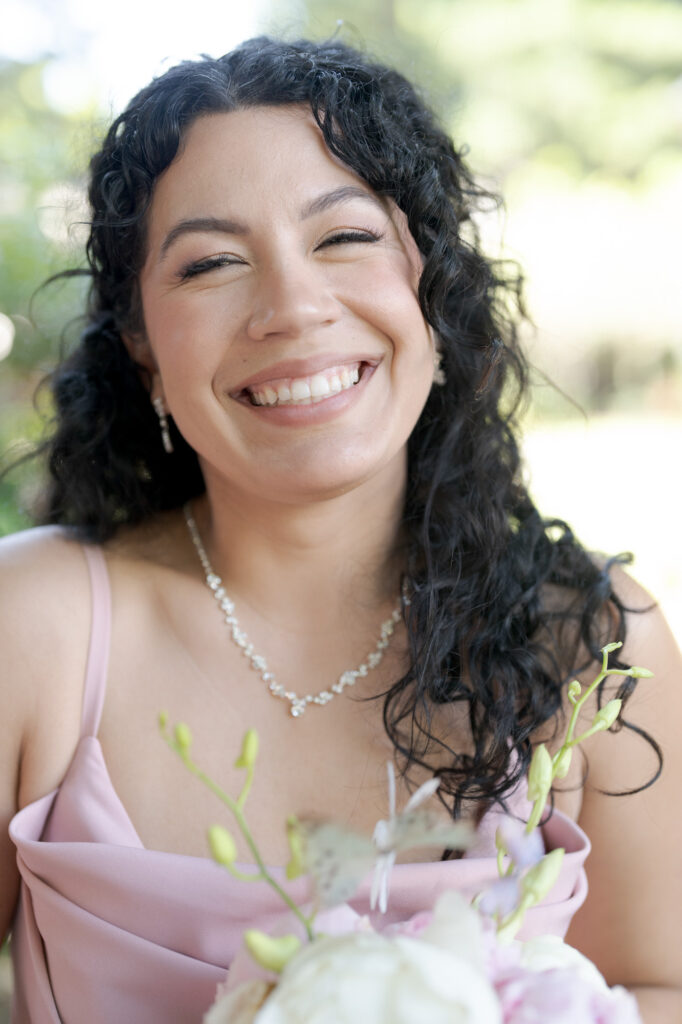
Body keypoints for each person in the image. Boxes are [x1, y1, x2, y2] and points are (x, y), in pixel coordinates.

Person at [1, 36, 680, 1023]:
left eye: (344, 238)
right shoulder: (31, 628)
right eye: (213, 262)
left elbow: (662, 988)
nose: (291, 306)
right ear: (142, 344)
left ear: (431, 289)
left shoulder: (590, 643)